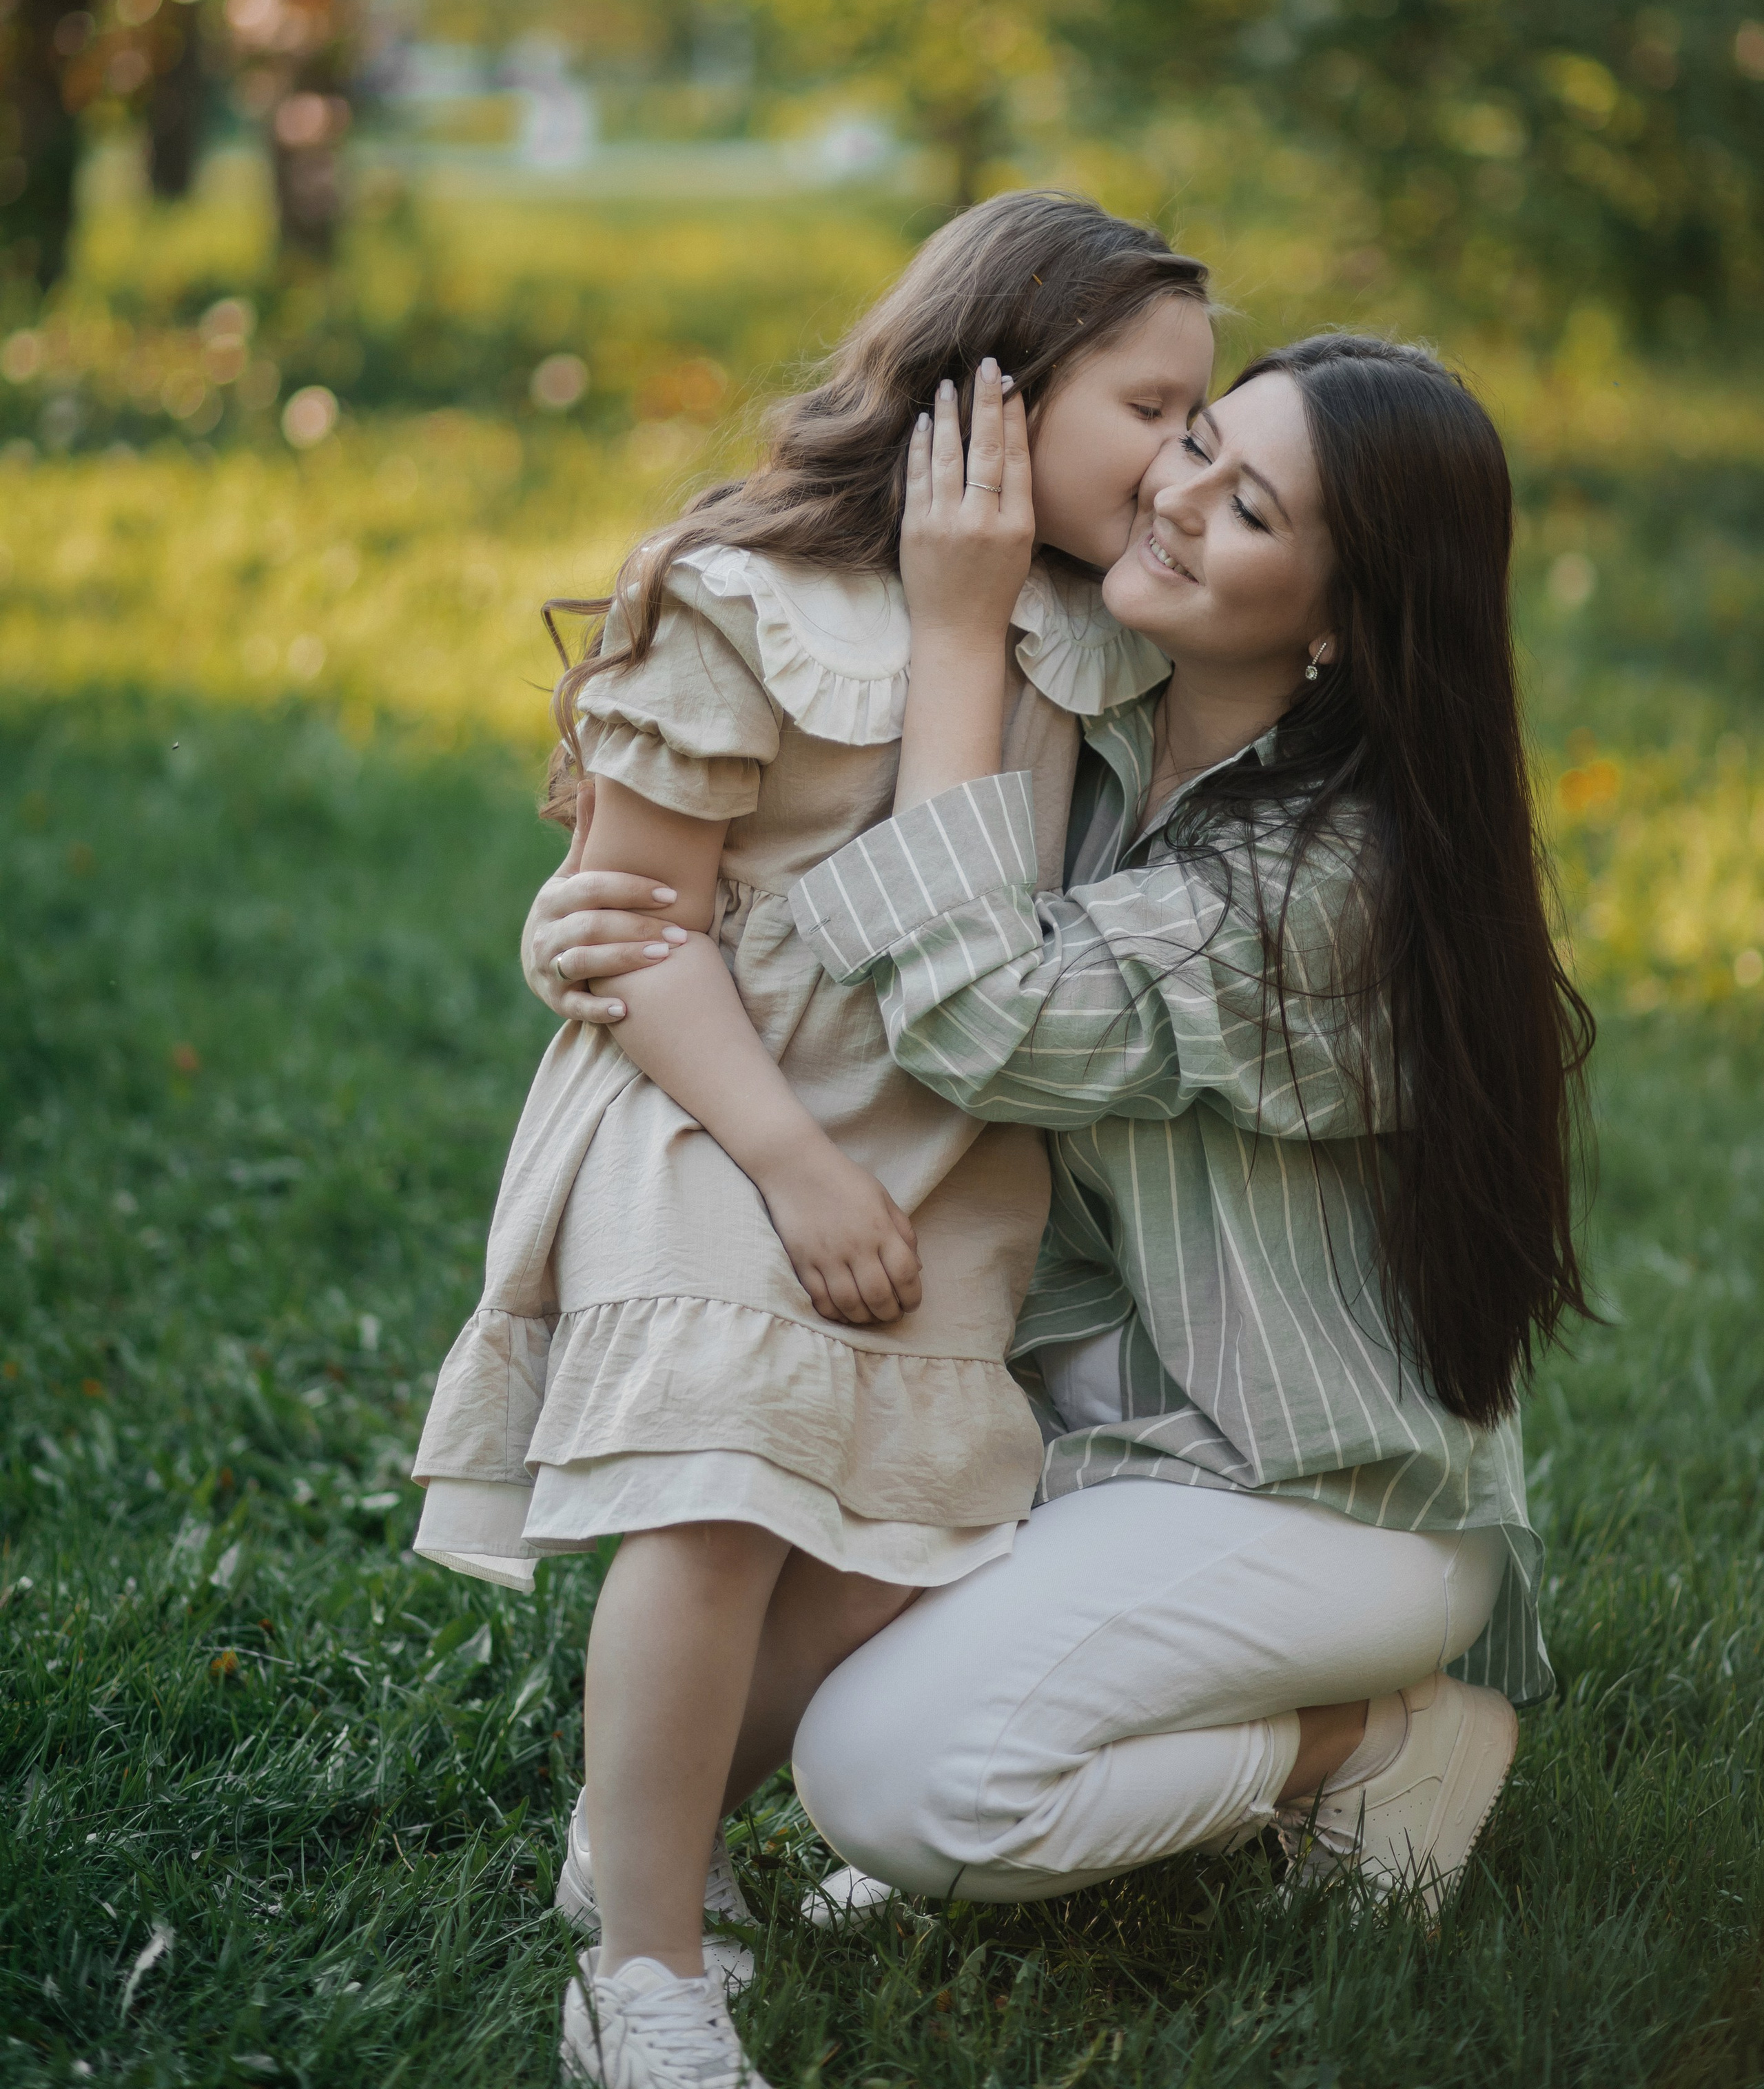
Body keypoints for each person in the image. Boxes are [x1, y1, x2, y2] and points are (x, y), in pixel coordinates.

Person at [553, 331, 1592, 1928]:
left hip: (1311, 1495)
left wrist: (960, 629)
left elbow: (976, 1018)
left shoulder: (1330, 877)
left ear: (1336, 620)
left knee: (897, 1786)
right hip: (1088, 1457)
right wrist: (603, 927)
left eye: (1248, 508)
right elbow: (798, 869)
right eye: (1194, 444)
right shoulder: (1107, 741)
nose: (1175, 501)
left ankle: (1369, 1737)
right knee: (828, 1572)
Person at [409, 193, 1216, 2089]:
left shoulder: (1110, 628)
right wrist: (791, 1162)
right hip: (720, 1113)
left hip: (954, 1145)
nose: (1189, 458)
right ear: (988, 402)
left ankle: (636, 1831)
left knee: (902, 1549)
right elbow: (633, 928)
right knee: (720, 1509)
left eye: (1207, 418)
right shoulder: (743, 589)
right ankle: (650, 1974)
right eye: (1156, 407)